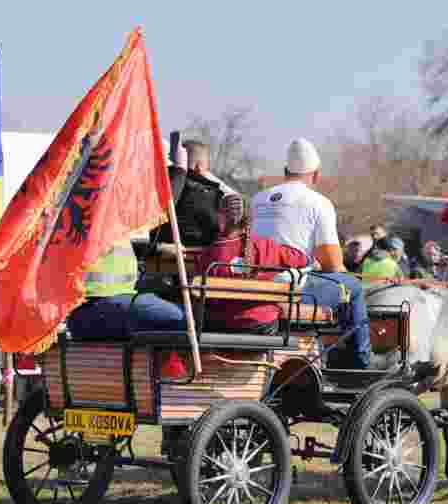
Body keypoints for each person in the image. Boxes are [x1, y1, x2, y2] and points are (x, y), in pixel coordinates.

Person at [250, 138, 371, 369]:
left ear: (286, 171)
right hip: (292, 290)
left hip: (257, 286)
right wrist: (339, 272)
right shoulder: (318, 203)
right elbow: (334, 265)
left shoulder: (258, 200)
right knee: (353, 288)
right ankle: (359, 363)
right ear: (315, 175)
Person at [194, 193, 308, 334]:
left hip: (219, 326)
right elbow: (302, 259)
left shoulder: (209, 254)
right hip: (262, 325)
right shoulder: (268, 246)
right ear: (249, 219)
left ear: (221, 217)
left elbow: (200, 295)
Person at [152, 140, 227, 247]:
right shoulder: (208, 195)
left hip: (155, 256)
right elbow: (217, 230)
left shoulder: (158, 187)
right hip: (192, 259)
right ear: (199, 167)